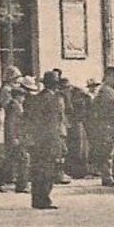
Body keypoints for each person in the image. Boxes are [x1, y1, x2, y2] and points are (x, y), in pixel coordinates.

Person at [20, 74, 68, 210]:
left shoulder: (36, 99)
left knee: (38, 169)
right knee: (49, 170)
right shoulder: (54, 100)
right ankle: (44, 199)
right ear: (56, 85)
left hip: (37, 139)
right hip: (50, 139)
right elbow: (56, 123)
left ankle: (36, 199)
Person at [88, 65, 114, 186]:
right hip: (107, 124)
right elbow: (111, 107)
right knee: (107, 152)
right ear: (108, 77)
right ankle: (107, 176)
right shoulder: (105, 91)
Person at [0, 65, 29, 193]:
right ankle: (19, 184)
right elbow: (9, 111)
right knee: (17, 157)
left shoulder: (12, 91)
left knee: (12, 157)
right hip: (12, 128)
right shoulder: (8, 92)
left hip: (13, 129)